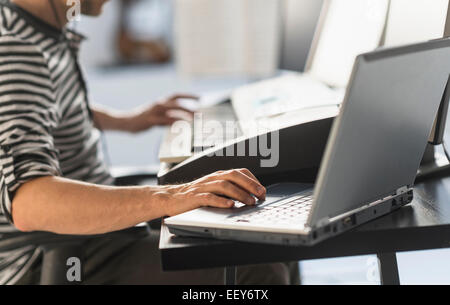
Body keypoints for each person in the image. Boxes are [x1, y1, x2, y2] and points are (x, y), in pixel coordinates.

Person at [0, 0, 299, 284]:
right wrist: (171, 196)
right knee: (256, 270)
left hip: (93, 235)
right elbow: (29, 203)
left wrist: (127, 121)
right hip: (54, 257)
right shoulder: (17, 53)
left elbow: (46, 109)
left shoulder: (37, 26)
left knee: (266, 236)